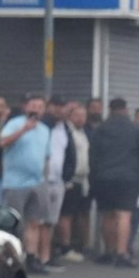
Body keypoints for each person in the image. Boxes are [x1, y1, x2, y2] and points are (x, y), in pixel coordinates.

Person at [88, 97, 139, 266]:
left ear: (109, 110)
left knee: (107, 215)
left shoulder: (101, 129)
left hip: (104, 178)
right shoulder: (137, 129)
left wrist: (94, 177)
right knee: (124, 214)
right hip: (128, 179)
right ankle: (122, 253)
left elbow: (93, 155)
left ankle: (109, 251)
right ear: (125, 109)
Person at [0, 93, 58, 273]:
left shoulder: (45, 130)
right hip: (15, 183)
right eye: (33, 105)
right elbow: (2, 143)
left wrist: (46, 182)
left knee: (34, 223)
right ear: (26, 107)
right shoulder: (15, 123)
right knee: (13, 222)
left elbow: (46, 158)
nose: (36, 109)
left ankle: (31, 259)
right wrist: (23, 130)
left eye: (40, 106)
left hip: (38, 182)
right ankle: (10, 260)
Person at [55, 101, 90, 260]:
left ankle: (78, 245)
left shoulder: (83, 132)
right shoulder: (66, 131)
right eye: (77, 115)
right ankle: (65, 247)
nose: (81, 119)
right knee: (66, 215)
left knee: (78, 214)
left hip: (82, 180)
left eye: (83, 116)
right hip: (69, 179)